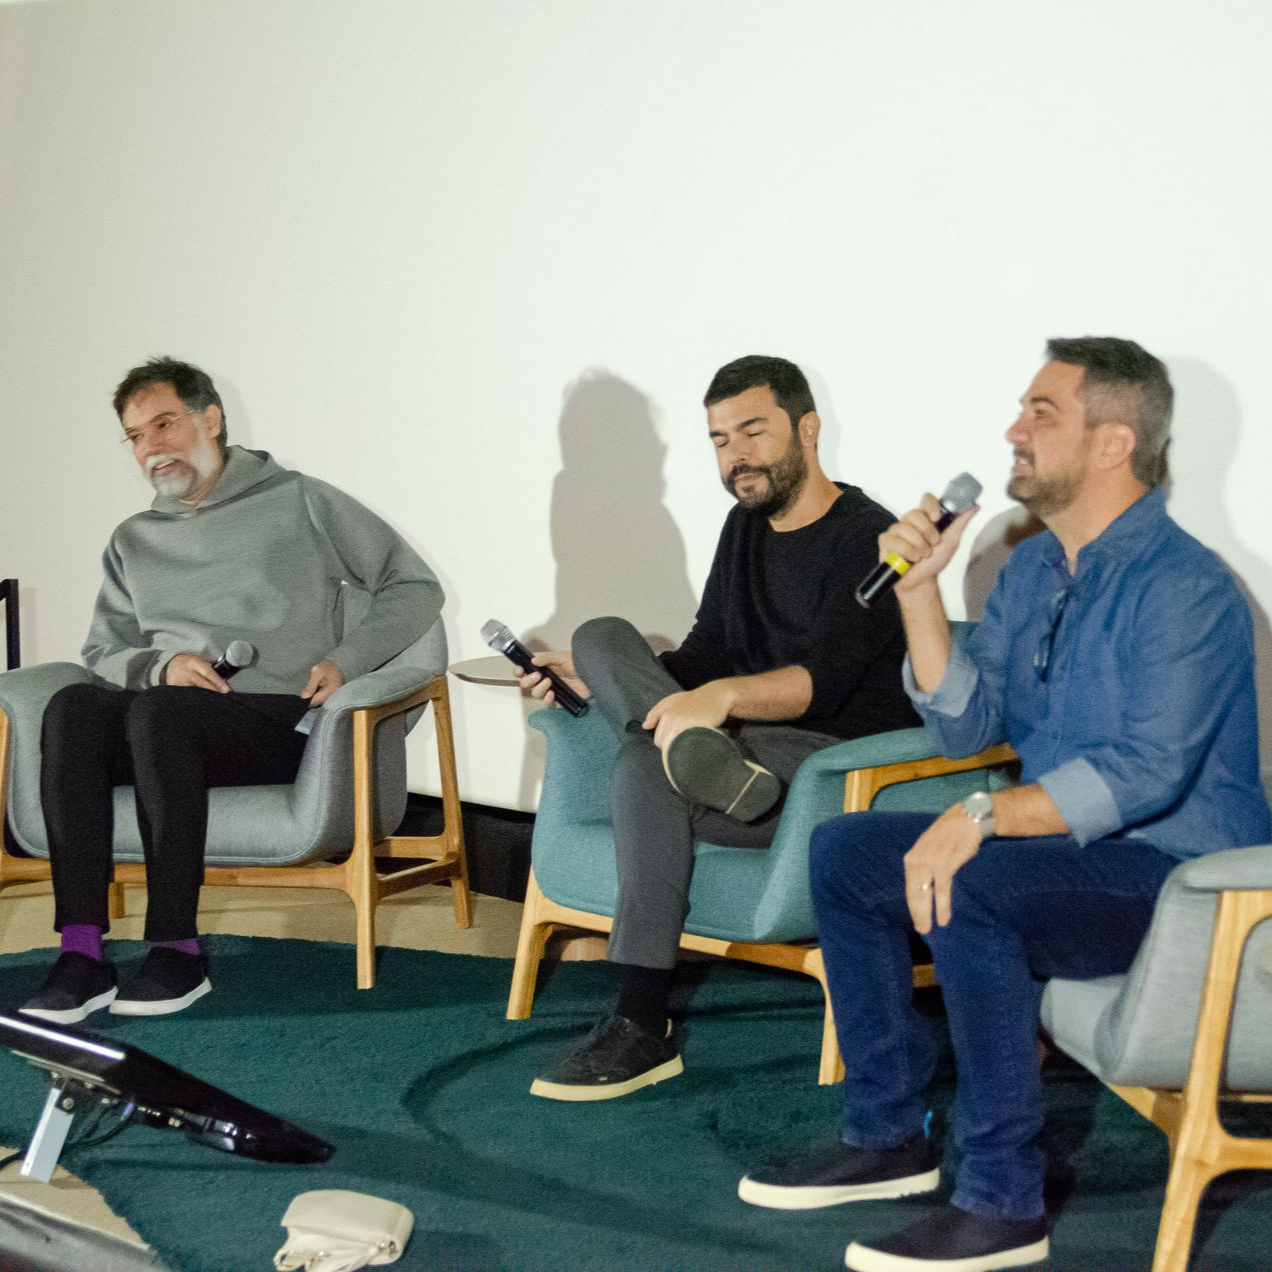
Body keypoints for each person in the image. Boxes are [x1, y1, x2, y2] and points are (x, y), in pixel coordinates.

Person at [737, 337, 1271, 1271]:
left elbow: (1147, 772)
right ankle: (887, 1138)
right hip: (1076, 860)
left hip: (1184, 880)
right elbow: (963, 723)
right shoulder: (1033, 571)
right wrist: (921, 590)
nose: (1012, 432)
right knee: (844, 852)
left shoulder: (1189, 589)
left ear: (1112, 444)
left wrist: (983, 817)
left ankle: (1001, 1199)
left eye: (1041, 414)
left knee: (975, 885)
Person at [519, 354, 919, 1101]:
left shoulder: (872, 537)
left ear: (807, 428)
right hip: (740, 769)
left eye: (752, 431)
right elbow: (705, 653)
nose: (735, 454)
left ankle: (642, 1023)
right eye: (719, 439)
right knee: (605, 635)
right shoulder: (744, 529)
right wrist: (591, 670)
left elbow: (818, 685)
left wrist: (720, 699)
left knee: (643, 759)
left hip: (824, 770)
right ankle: (701, 764)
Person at [20, 357, 443, 1023]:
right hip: (168, 714)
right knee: (74, 706)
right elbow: (102, 649)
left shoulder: (301, 499)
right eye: (135, 436)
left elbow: (414, 586)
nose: (150, 446)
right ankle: (81, 953)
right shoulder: (133, 539)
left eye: (164, 424)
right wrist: (163, 664)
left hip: (275, 719)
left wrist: (347, 656)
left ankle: (175, 950)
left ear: (211, 419)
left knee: (160, 717)